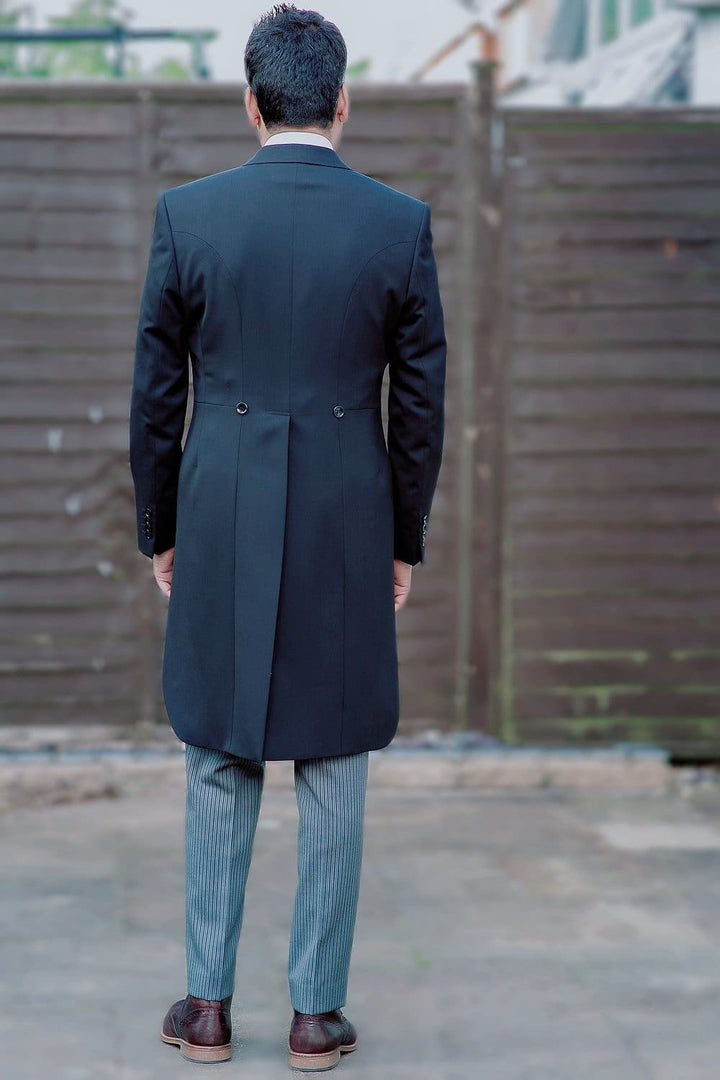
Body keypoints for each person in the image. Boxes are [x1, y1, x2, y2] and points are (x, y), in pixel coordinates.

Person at [129, 3, 446, 1071]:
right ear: (341, 100)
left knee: (219, 753)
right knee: (337, 755)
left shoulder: (189, 215)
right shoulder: (398, 223)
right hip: (347, 513)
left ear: (251, 104)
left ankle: (207, 1008)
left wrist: (160, 529)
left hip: (219, 506)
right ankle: (316, 1015)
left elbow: (154, 397)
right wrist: (402, 538)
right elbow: (421, 407)